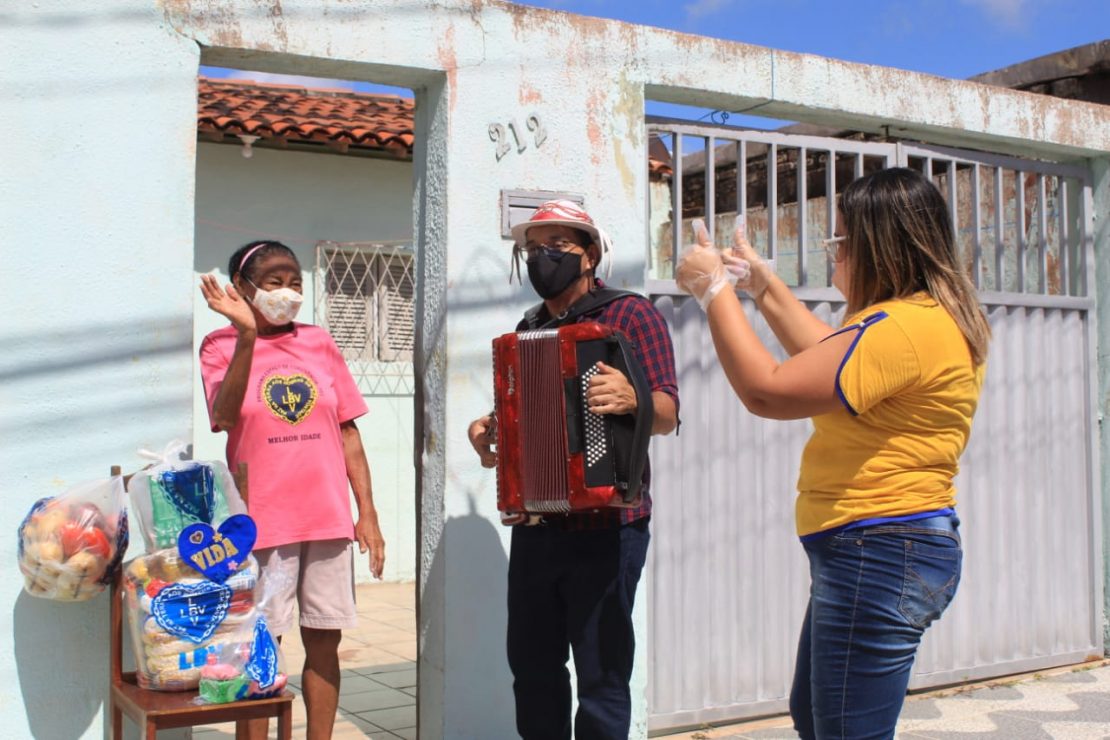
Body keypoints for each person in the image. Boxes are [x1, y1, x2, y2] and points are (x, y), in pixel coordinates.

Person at [675, 167, 990, 740]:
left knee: (843, 732)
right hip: (880, 548)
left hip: (880, 550)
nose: (833, 255)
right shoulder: (919, 320)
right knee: (821, 720)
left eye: (840, 241)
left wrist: (713, 292)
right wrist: (762, 286)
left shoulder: (904, 328)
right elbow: (833, 359)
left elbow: (767, 389)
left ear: (879, 245)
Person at [467, 200, 680, 740]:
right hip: (539, 529)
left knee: (602, 674)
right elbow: (525, 414)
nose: (543, 258)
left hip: (608, 528)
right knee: (533, 670)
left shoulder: (631, 315)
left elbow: (669, 412)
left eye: (557, 247)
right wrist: (492, 433)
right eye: (533, 249)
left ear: (589, 254)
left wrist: (634, 396)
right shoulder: (529, 327)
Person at [198, 240, 387, 740]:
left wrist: (366, 512)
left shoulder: (318, 342)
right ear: (242, 288)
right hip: (262, 524)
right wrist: (244, 335)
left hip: (326, 518)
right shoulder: (218, 345)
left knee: (325, 643)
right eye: (275, 283)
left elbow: (348, 431)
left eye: (296, 283)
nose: (288, 293)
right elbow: (222, 416)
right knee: (260, 649)